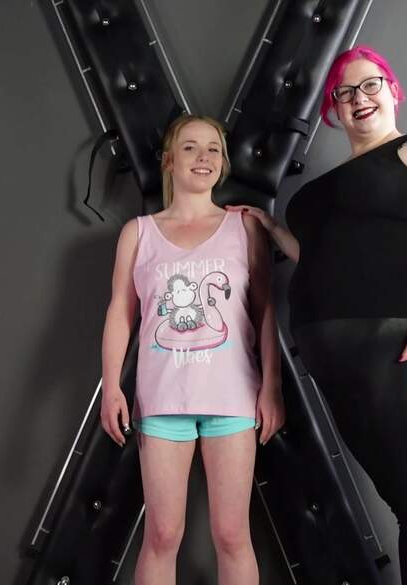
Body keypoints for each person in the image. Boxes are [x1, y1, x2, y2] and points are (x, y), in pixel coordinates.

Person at [229, 45, 407, 585]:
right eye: (344, 92)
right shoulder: (322, 191)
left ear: (392, 90)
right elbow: (323, 257)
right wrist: (272, 230)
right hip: (340, 363)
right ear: (334, 108)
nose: (358, 98)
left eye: (370, 84)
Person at [100, 114, 285, 585]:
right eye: (190, 147)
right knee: (162, 535)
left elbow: (264, 311)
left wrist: (272, 388)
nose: (203, 157)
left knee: (232, 535)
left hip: (233, 399)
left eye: (213, 149)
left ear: (222, 164)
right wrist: (111, 388)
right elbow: (120, 312)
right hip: (163, 400)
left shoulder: (244, 227)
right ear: (168, 160)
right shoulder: (138, 233)